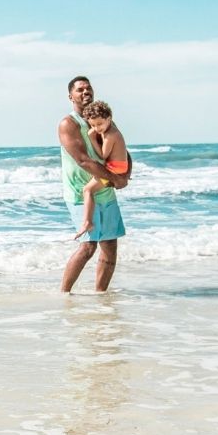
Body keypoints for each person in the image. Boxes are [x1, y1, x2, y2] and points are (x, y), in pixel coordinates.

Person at [58, 76, 131, 292]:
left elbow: (122, 149)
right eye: (80, 90)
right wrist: (115, 178)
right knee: (88, 246)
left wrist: (126, 175)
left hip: (105, 188)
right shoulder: (68, 124)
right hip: (82, 192)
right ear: (71, 96)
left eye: (88, 88)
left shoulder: (104, 120)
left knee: (109, 246)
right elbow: (84, 160)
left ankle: (101, 297)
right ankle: (64, 294)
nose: (85, 92)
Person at [73, 100, 130, 240]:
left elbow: (103, 155)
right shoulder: (108, 129)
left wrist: (92, 138)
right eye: (92, 125)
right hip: (119, 166)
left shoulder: (110, 135)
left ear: (109, 118)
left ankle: (87, 222)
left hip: (115, 169)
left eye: (99, 124)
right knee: (90, 189)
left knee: (87, 190)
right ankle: (88, 221)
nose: (97, 128)